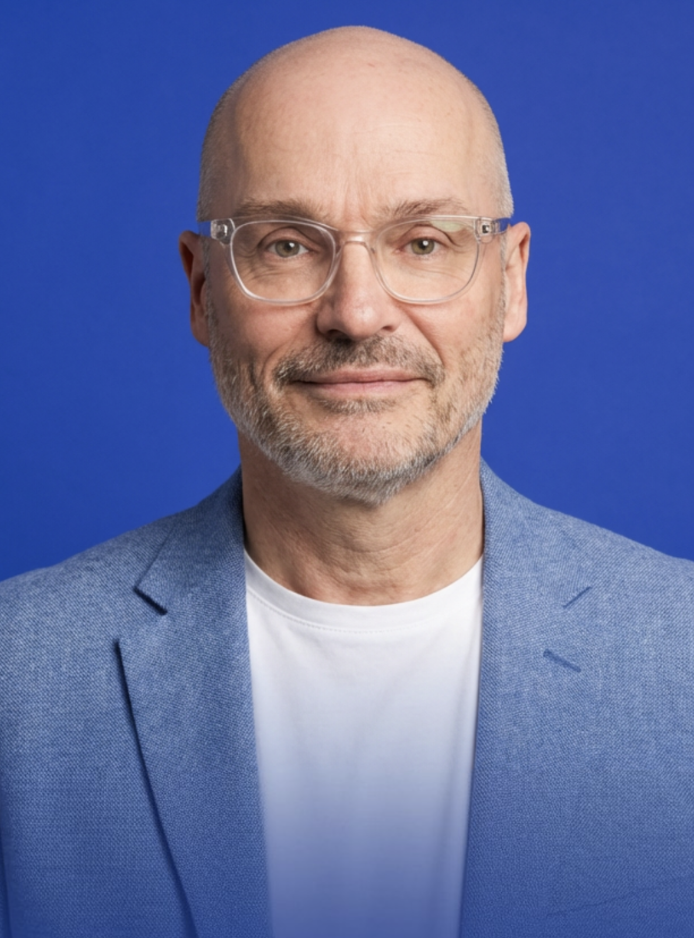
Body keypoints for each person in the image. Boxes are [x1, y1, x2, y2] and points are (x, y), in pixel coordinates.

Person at [1, 25, 693, 938]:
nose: (358, 312)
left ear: (512, 281)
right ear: (203, 290)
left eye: (424, 242)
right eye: (287, 245)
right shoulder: (20, 680)